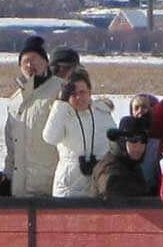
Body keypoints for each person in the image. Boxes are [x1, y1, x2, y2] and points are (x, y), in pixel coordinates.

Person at [41, 70, 117, 198]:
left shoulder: (102, 113)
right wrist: (60, 103)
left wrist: (99, 163)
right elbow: (50, 138)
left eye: (82, 92)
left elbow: (114, 145)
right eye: (72, 94)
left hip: (97, 182)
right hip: (69, 186)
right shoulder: (62, 114)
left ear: (90, 92)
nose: (78, 98)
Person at [4, 35, 61, 198]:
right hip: (20, 186)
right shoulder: (15, 100)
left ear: (46, 62)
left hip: (50, 185)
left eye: (35, 60)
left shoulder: (59, 89)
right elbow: (11, 144)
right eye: (25, 61)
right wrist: (8, 175)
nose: (30, 65)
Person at [91, 114, 159, 200]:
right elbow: (115, 203)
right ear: (121, 141)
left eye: (143, 140)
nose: (138, 146)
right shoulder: (110, 169)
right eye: (133, 140)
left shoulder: (131, 164)